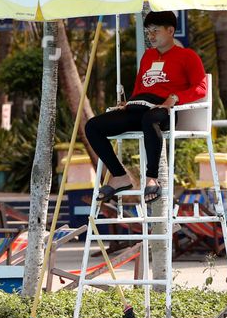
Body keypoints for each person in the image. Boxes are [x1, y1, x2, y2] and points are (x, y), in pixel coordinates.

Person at [83, 10, 207, 209]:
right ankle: (120, 176)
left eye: (155, 31)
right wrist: (128, 103)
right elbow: (140, 88)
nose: (151, 36)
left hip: (164, 112)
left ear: (170, 31)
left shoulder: (188, 56)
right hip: (139, 108)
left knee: (150, 119)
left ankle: (152, 178)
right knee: (93, 126)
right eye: (148, 32)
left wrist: (174, 98)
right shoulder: (148, 56)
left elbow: (201, 88)